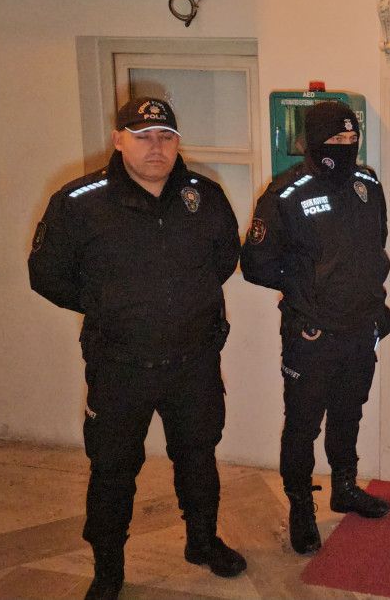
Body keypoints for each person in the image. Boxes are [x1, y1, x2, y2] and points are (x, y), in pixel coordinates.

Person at [28, 97, 246, 600]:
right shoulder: (79, 201)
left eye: (166, 136)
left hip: (193, 363)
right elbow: (47, 275)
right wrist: (110, 305)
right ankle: (108, 569)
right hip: (119, 368)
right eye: (143, 136)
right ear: (118, 140)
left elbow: (224, 259)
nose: (156, 147)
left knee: (198, 457)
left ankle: (203, 541)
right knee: (112, 470)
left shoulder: (203, 196)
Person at [240, 100, 390, 556]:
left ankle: (344, 486)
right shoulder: (286, 194)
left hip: (360, 328)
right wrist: (303, 290)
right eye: (335, 139)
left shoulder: (368, 184)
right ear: (312, 142)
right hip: (312, 334)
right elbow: (255, 264)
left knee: (349, 412)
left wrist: (375, 304)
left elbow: (375, 247)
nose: (345, 146)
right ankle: (301, 507)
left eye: (351, 138)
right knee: (303, 424)